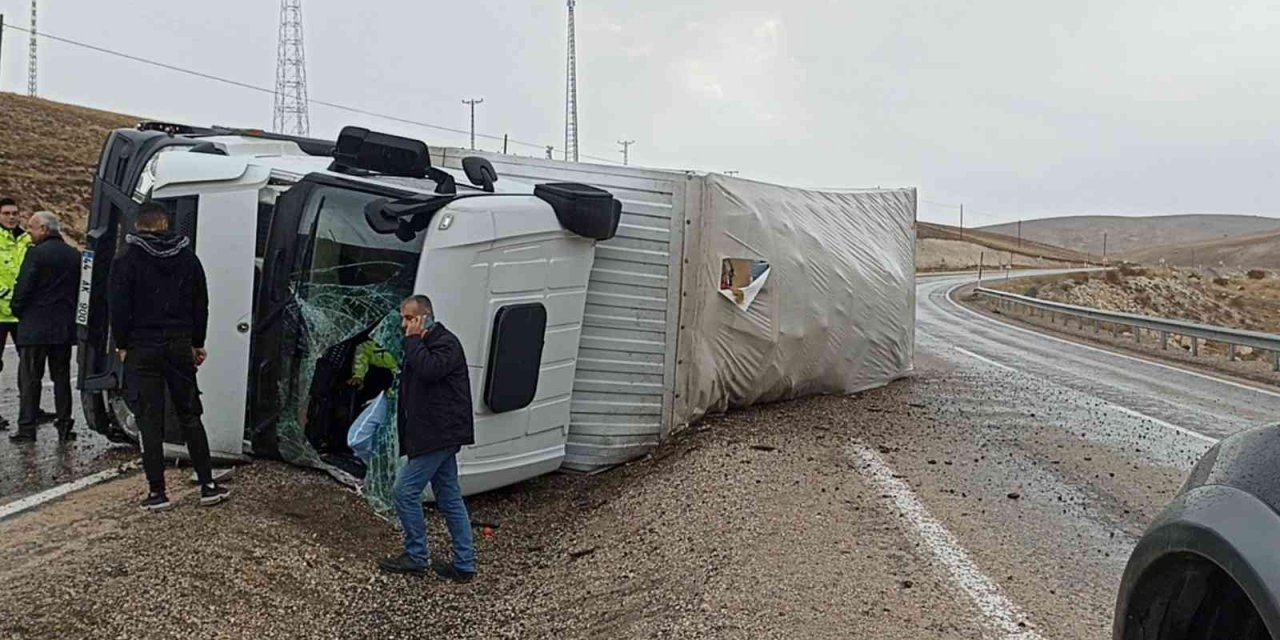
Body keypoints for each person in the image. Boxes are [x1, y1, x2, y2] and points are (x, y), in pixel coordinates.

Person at [108, 201, 229, 511]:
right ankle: (208, 485)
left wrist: (122, 344)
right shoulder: (188, 257)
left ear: (139, 224)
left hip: (141, 346)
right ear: (165, 223)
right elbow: (201, 302)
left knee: (149, 419)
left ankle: (157, 492)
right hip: (178, 344)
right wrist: (196, 342)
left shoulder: (126, 258)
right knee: (190, 414)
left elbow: (118, 306)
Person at [379, 294, 477, 582]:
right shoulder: (425, 344)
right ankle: (464, 564)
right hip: (436, 433)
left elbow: (429, 369)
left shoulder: (445, 343)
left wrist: (412, 340)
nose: (404, 325)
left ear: (425, 316)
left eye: (410, 318)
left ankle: (417, 555)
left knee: (404, 492)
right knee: (449, 498)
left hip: (439, 434)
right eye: (403, 319)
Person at [9, 212, 79, 443]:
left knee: (30, 379)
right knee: (61, 378)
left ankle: (27, 429)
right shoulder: (73, 255)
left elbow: (24, 286)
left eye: (32, 228)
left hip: (35, 327)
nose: (29, 232)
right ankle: (65, 426)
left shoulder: (36, 254)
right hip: (63, 327)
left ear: (44, 229)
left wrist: (17, 309)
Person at [0, 197, 33, 431]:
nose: (12, 217)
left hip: (23, 313)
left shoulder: (26, 239)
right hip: (0, 313)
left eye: (15, 213)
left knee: (30, 364)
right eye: (6, 213)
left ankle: (30, 409)